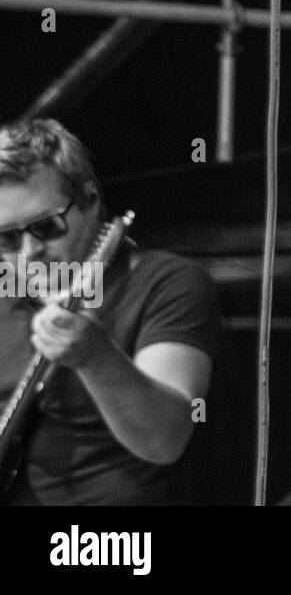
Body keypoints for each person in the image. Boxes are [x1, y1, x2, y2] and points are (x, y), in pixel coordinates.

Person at [0, 118, 223, 505]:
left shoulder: (169, 282)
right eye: (6, 237)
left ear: (90, 199)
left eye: (47, 227)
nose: (28, 252)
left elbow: (165, 439)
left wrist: (95, 357)